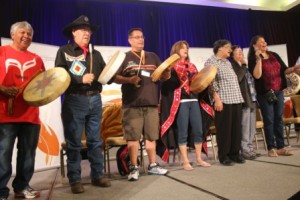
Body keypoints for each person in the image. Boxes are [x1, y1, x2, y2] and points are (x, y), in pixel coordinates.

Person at [55, 15, 111, 194]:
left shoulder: (96, 53)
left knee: (95, 141)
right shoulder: (64, 51)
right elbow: (58, 76)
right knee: (74, 143)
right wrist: (80, 79)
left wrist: (118, 73)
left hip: (95, 99)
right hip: (74, 100)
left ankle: (97, 175)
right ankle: (75, 180)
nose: (87, 33)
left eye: (89, 30)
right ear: (74, 32)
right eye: (83, 29)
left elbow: (105, 77)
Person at [114, 28, 168, 181]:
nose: (140, 40)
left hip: (151, 104)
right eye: (137, 37)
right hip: (132, 105)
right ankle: (133, 167)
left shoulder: (153, 56)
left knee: (151, 136)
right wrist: (128, 80)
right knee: (133, 138)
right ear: (129, 40)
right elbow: (114, 77)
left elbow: (162, 75)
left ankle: (152, 165)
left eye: (142, 37)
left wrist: (167, 74)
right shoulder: (124, 58)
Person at [0, 21, 45, 200]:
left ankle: (22, 186)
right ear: (12, 34)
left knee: (27, 154)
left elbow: (45, 84)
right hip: (5, 114)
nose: (26, 36)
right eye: (22, 32)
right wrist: (2, 88)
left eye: (29, 33)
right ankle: (1, 191)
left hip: (30, 114)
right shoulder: (2, 52)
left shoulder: (37, 59)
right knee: (3, 154)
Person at [159, 41, 211, 170]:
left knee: (198, 130)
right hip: (181, 102)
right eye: (182, 48)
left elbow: (198, 84)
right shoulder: (171, 68)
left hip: (194, 101)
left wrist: (206, 81)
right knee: (183, 132)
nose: (185, 49)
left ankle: (199, 159)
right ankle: (185, 161)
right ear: (176, 50)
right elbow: (167, 88)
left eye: (186, 47)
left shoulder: (192, 66)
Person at [247, 35, 300, 157]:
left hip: (278, 91)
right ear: (254, 45)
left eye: (265, 41)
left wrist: (294, 68)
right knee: (269, 120)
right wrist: (258, 59)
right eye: (261, 42)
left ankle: (281, 147)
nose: (264, 43)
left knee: (278, 119)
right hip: (265, 93)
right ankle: (271, 148)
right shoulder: (252, 59)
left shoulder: (274, 55)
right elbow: (257, 76)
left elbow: (285, 70)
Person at [204, 39, 245, 166]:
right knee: (224, 130)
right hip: (223, 100)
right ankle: (224, 155)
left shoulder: (227, 62)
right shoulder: (211, 61)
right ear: (220, 48)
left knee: (236, 128)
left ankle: (235, 153)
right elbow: (211, 83)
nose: (230, 50)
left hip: (236, 99)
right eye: (228, 47)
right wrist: (216, 99)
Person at [229, 45, 257, 160]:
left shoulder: (245, 67)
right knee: (244, 127)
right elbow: (238, 78)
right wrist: (244, 65)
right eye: (238, 52)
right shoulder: (233, 66)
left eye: (242, 52)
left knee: (251, 127)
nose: (241, 54)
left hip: (252, 99)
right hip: (243, 100)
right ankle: (244, 150)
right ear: (232, 55)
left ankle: (250, 148)